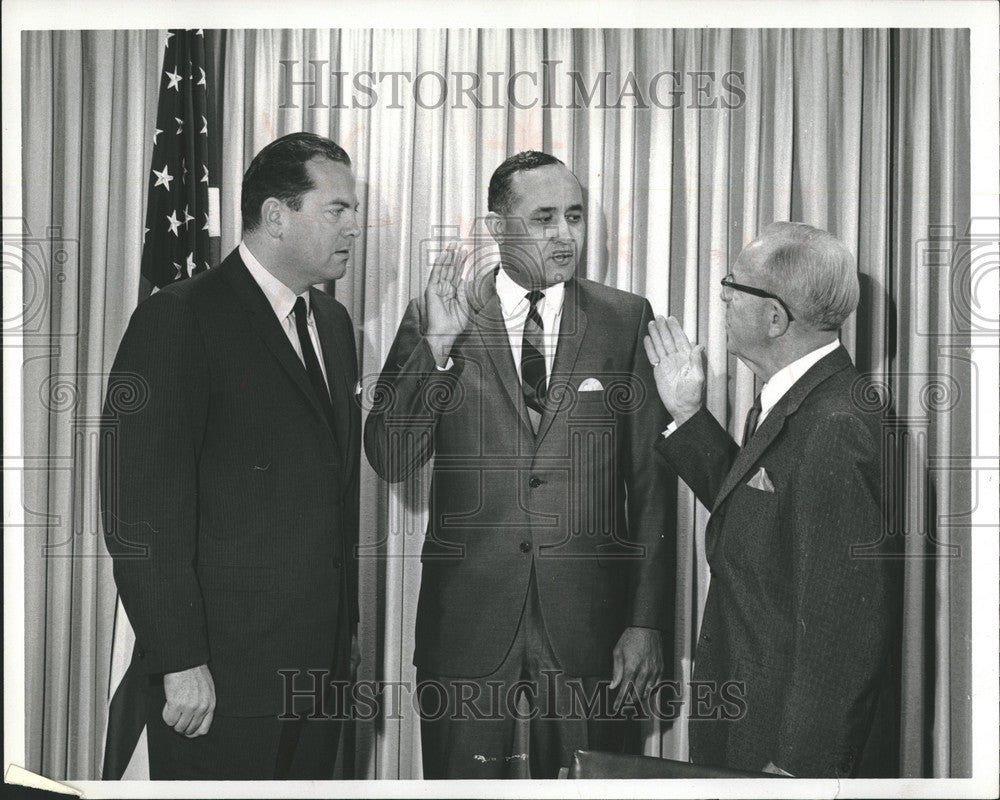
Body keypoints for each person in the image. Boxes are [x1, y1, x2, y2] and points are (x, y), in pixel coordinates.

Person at [364, 151, 675, 779]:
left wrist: (644, 622)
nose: (566, 235)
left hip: (591, 632)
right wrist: (437, 348)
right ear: (496, 226)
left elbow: (650, 488)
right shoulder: (435, 315)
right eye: (544, 218)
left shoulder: (625, 319)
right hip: (468, 626)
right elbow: (390, 456)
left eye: (576, 216)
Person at [100, 132, 363, 779]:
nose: (354, 227)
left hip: (316, 680)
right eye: (338, 209)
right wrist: (179, 660)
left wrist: (342, 644)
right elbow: (140, 512)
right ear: (276, 215)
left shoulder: (332, 326)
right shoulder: (179, 318)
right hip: (218, 682)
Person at [644, 221, 898, 778]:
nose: (723, 299)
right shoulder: (803, 401)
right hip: (751, 728)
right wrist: (688, 415)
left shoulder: (836, 425)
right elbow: (759, 520)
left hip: (779, 751)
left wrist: (795, 771)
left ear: (776, 317)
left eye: (732, 288)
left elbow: (842, 632)